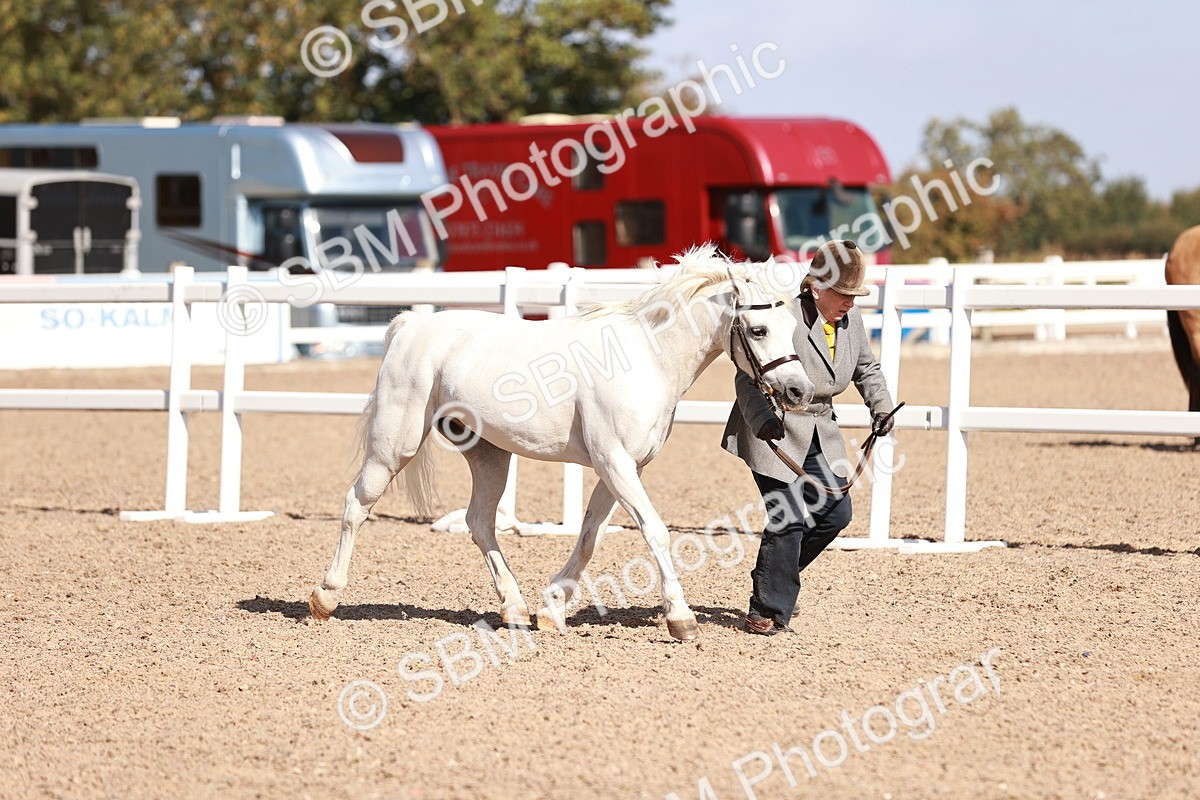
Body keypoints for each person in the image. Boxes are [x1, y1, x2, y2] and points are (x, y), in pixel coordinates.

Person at [721, 239, 896, 636]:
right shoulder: (786, 318)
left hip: (821, 429)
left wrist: (881, 408)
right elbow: (746, 375)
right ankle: (766, 609)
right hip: (775, 428)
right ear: (816, 287)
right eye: (844, 294)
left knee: (838, 514)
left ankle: (774, 577)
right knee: (788, 518)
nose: (851, 302)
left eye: (856, 295)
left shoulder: (851, 322)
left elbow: (867, 369)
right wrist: (762, 418)